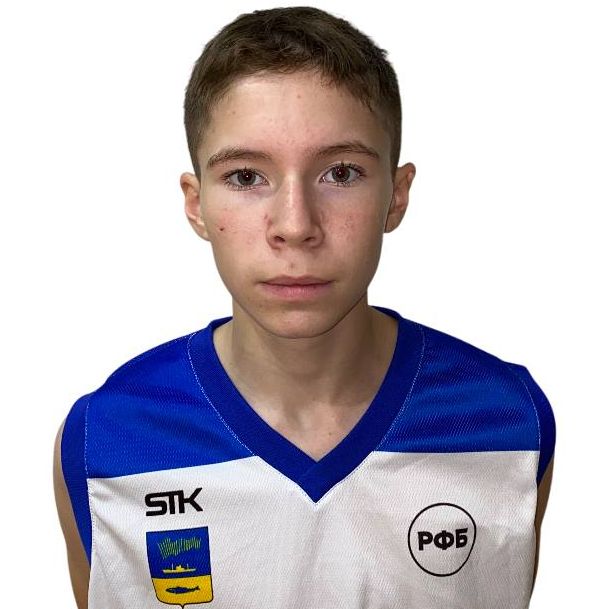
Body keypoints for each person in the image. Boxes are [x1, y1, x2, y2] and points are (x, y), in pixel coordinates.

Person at [53, 6, 555, 609]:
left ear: (396, 197)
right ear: (196, 204)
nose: (295, 226)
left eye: (340, 173)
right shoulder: (107, 440)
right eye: (246, 177)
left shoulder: (508, 423)